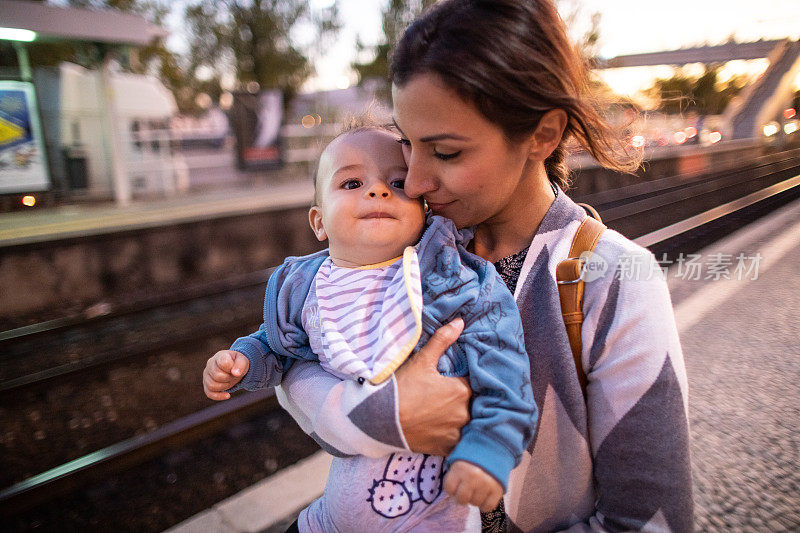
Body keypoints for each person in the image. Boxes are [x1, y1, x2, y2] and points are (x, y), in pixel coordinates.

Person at [273, 1, 694, 532]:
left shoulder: (612, 280)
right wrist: (387, 415)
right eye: (408, 144)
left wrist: (349, 413)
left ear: (542, 135)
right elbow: (292, 355)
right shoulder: (409, 244)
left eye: (445, 152)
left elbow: (652, 523)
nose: (417, 181)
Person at [203, 122, 537, 531]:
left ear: (423, 212)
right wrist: (242, 361)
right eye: (352, 182)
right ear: (319, 222)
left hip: (429, 515)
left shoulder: (456, 282)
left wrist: (489, 452)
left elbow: (505, 372)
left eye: (398, 183)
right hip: (330, 518)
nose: (378, 191)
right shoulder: (302, 289)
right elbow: (276, 346)